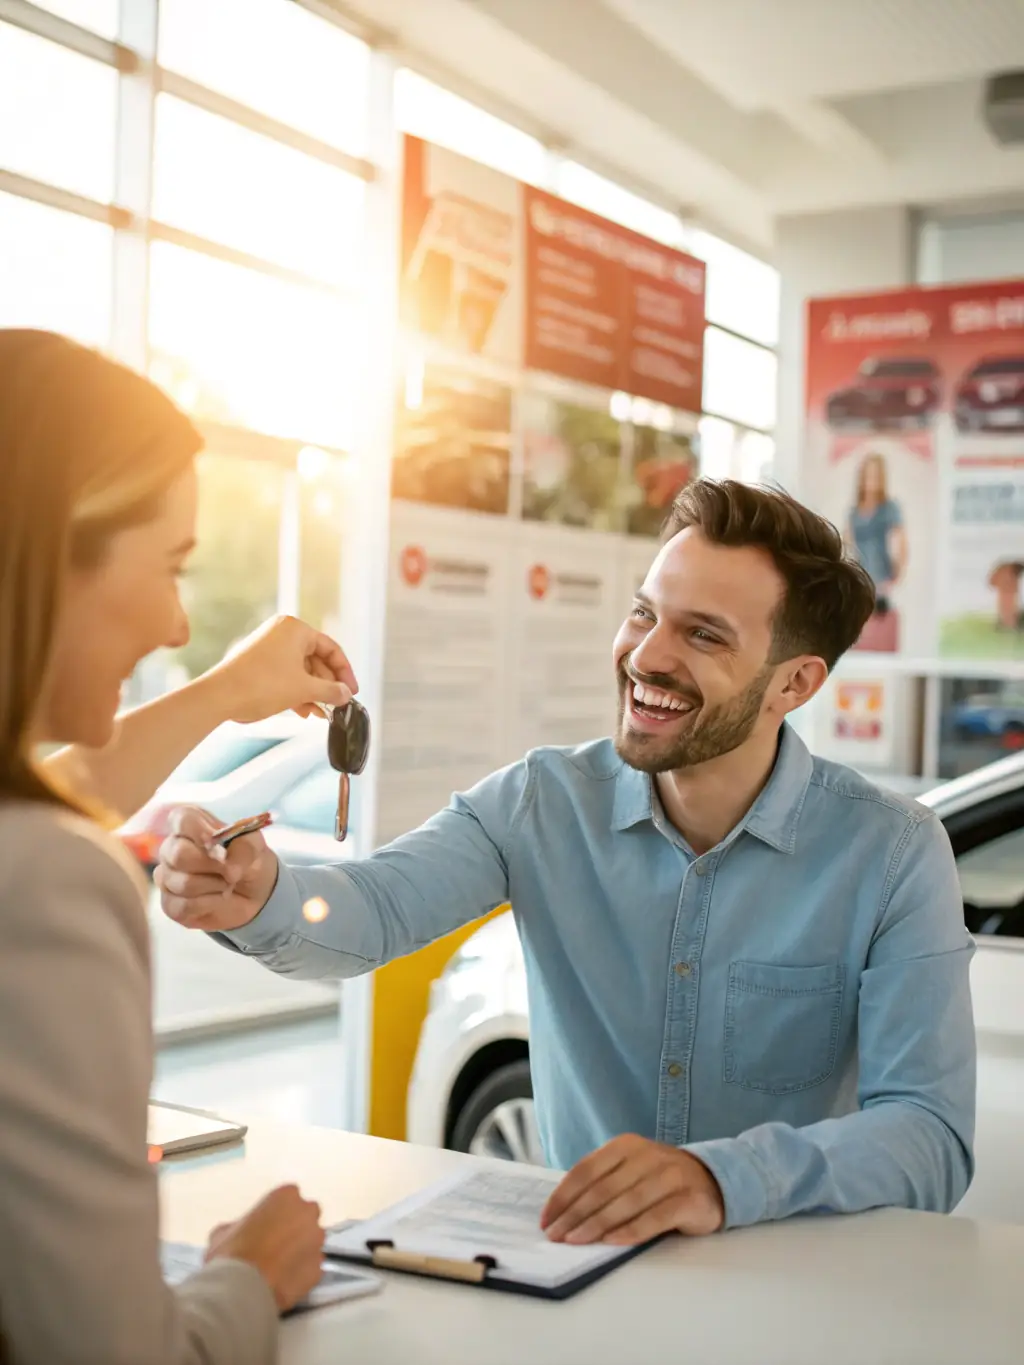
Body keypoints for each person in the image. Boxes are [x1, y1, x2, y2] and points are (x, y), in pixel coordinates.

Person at [158, 480, 976, 1248]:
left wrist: (720, 1178)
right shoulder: (540, 802)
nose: (645, 655)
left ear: (793, 683)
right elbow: (369, 912)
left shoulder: (893, 852)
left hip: (790, 1292)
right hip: (575, 1278)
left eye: (701, 633)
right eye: (643, 613)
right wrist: (259, 895)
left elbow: (929, 1136)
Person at [0, 329, 356, 1364]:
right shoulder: (51, 888)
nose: (172, 622)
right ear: (42, 551)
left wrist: (226, 696)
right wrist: (245, 1279)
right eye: (167, 566)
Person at [845, 451, 907, 610]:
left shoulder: (889, 508)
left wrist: (898, 570)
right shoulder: (854, 511)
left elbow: (901, 540)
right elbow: (847, 542)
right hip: (860, 578)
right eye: (868, 475)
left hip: (881, 579)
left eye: (876, 475)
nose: (871, 480)